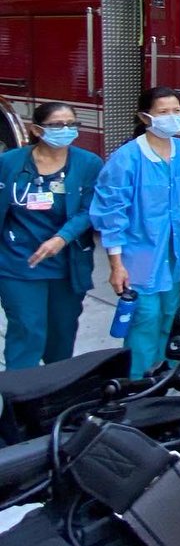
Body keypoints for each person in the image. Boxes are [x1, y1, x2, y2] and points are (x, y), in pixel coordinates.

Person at [91, 87, 180, 378]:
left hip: (174, 254)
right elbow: (111, 212)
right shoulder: (127, 158)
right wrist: (116, 264)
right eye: (163, 112)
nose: (172, 117)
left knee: (169, 316)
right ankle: (136, 384)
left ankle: (164, 379)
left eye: (177, 110)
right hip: (139, 257)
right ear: (145, 116)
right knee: (144, 319)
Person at [0, 103, 102, 369]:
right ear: (37, 129)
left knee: (61, 337)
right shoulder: (9, 163)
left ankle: (54, 396)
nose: (66, 130)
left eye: (72, 124)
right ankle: (20, 401)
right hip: (19, 263)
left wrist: (62, 238)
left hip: (67, 265)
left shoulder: (88, 163)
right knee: (27, 332)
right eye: (57, 125)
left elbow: (91, 208)